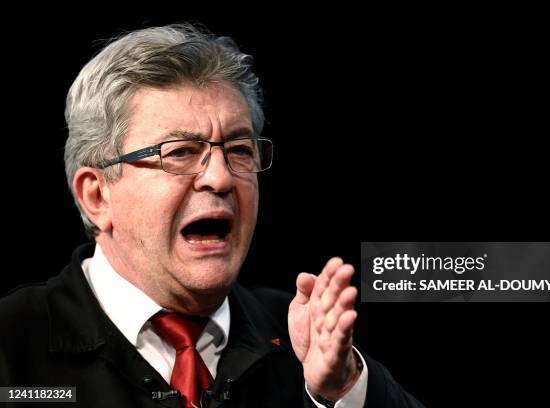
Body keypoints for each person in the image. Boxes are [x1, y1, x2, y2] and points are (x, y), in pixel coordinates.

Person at [0, 23, 422, 408]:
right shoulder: (10, 345)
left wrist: (346, 389)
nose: (220, 178)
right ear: (97, 195)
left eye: (239, 150)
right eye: (179, 152)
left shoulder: (307, 341)